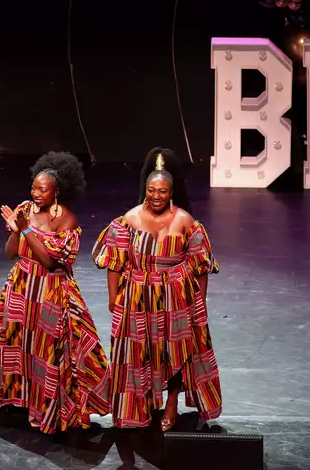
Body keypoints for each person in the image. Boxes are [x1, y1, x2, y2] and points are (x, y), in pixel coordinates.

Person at [0, 151, 111, 433]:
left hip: (50, 292)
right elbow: (10, 253)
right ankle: (18, 400)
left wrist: (25, 230)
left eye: (42, 189)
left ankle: (46, 407)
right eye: (33, 187)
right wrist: (14, 231)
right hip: (21, 287)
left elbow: (48, 260)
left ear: (57, 192)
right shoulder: (25, 210)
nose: (35, 194)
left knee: (47, 352)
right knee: (18, 347)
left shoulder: (66, 221)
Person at [92, 147, 221, 432]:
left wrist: (200, 301)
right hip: (137, 295)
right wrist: (113, 298)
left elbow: (200, 266)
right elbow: (115, 263)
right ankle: (141, 406)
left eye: (162, 191)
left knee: (174, 354)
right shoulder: (128, 219)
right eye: (151, 190)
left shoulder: (185, 222)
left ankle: (171, 406)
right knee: (138, 353)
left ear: (171, 191)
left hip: (176, 297)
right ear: (145, 189)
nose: (156, 196)